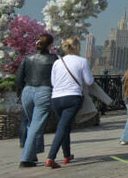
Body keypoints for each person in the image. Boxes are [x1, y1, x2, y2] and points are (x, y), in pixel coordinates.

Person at [48, 37, 92, 168]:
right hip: (72, 97)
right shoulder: (82, 61)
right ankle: (51, 157)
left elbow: (53, 82)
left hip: (56, 98)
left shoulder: (57, 62)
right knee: (62, 127)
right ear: (78, 47)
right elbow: (89, 81)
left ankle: (67, 155)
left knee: (64, 125)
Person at [16, 32, 57, 168]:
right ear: (50, 45)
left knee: (30, 124)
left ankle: (33, 154)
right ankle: (26, 158)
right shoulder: (54, 59)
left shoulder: (27, 58)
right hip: (44, 91)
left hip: (27, 91)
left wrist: (19, 94)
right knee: (35, 125)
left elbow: (19, 78)